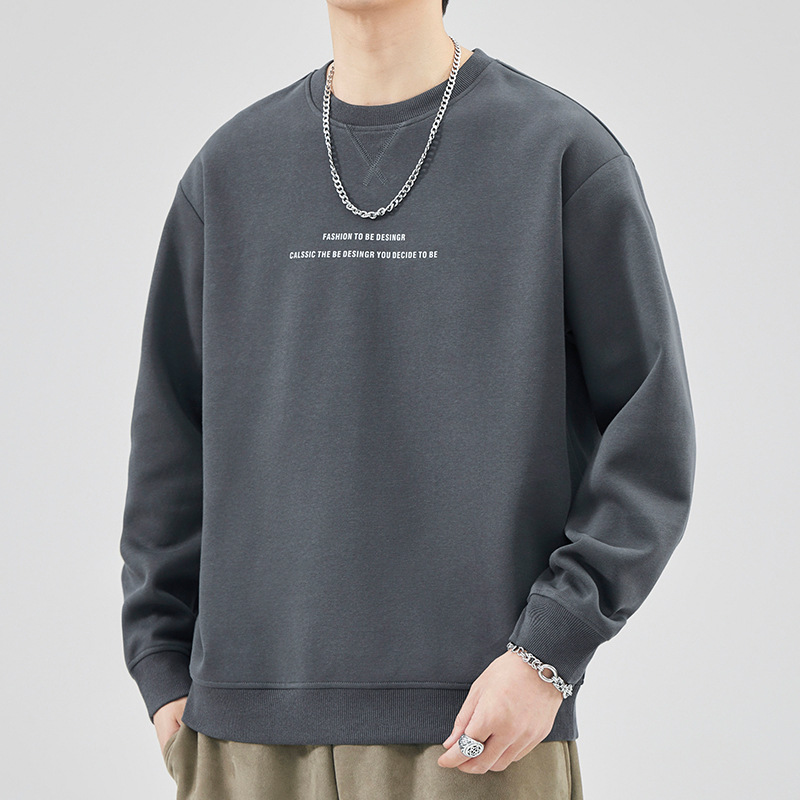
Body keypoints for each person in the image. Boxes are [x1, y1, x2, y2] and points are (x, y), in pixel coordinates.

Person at [119, 0, 696, 797]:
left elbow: (651, 433)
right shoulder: (231, 169)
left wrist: (547, 654)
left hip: (478, 729)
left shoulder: (558, 153)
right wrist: (160, 664)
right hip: (241, 733)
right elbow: (170, 437)